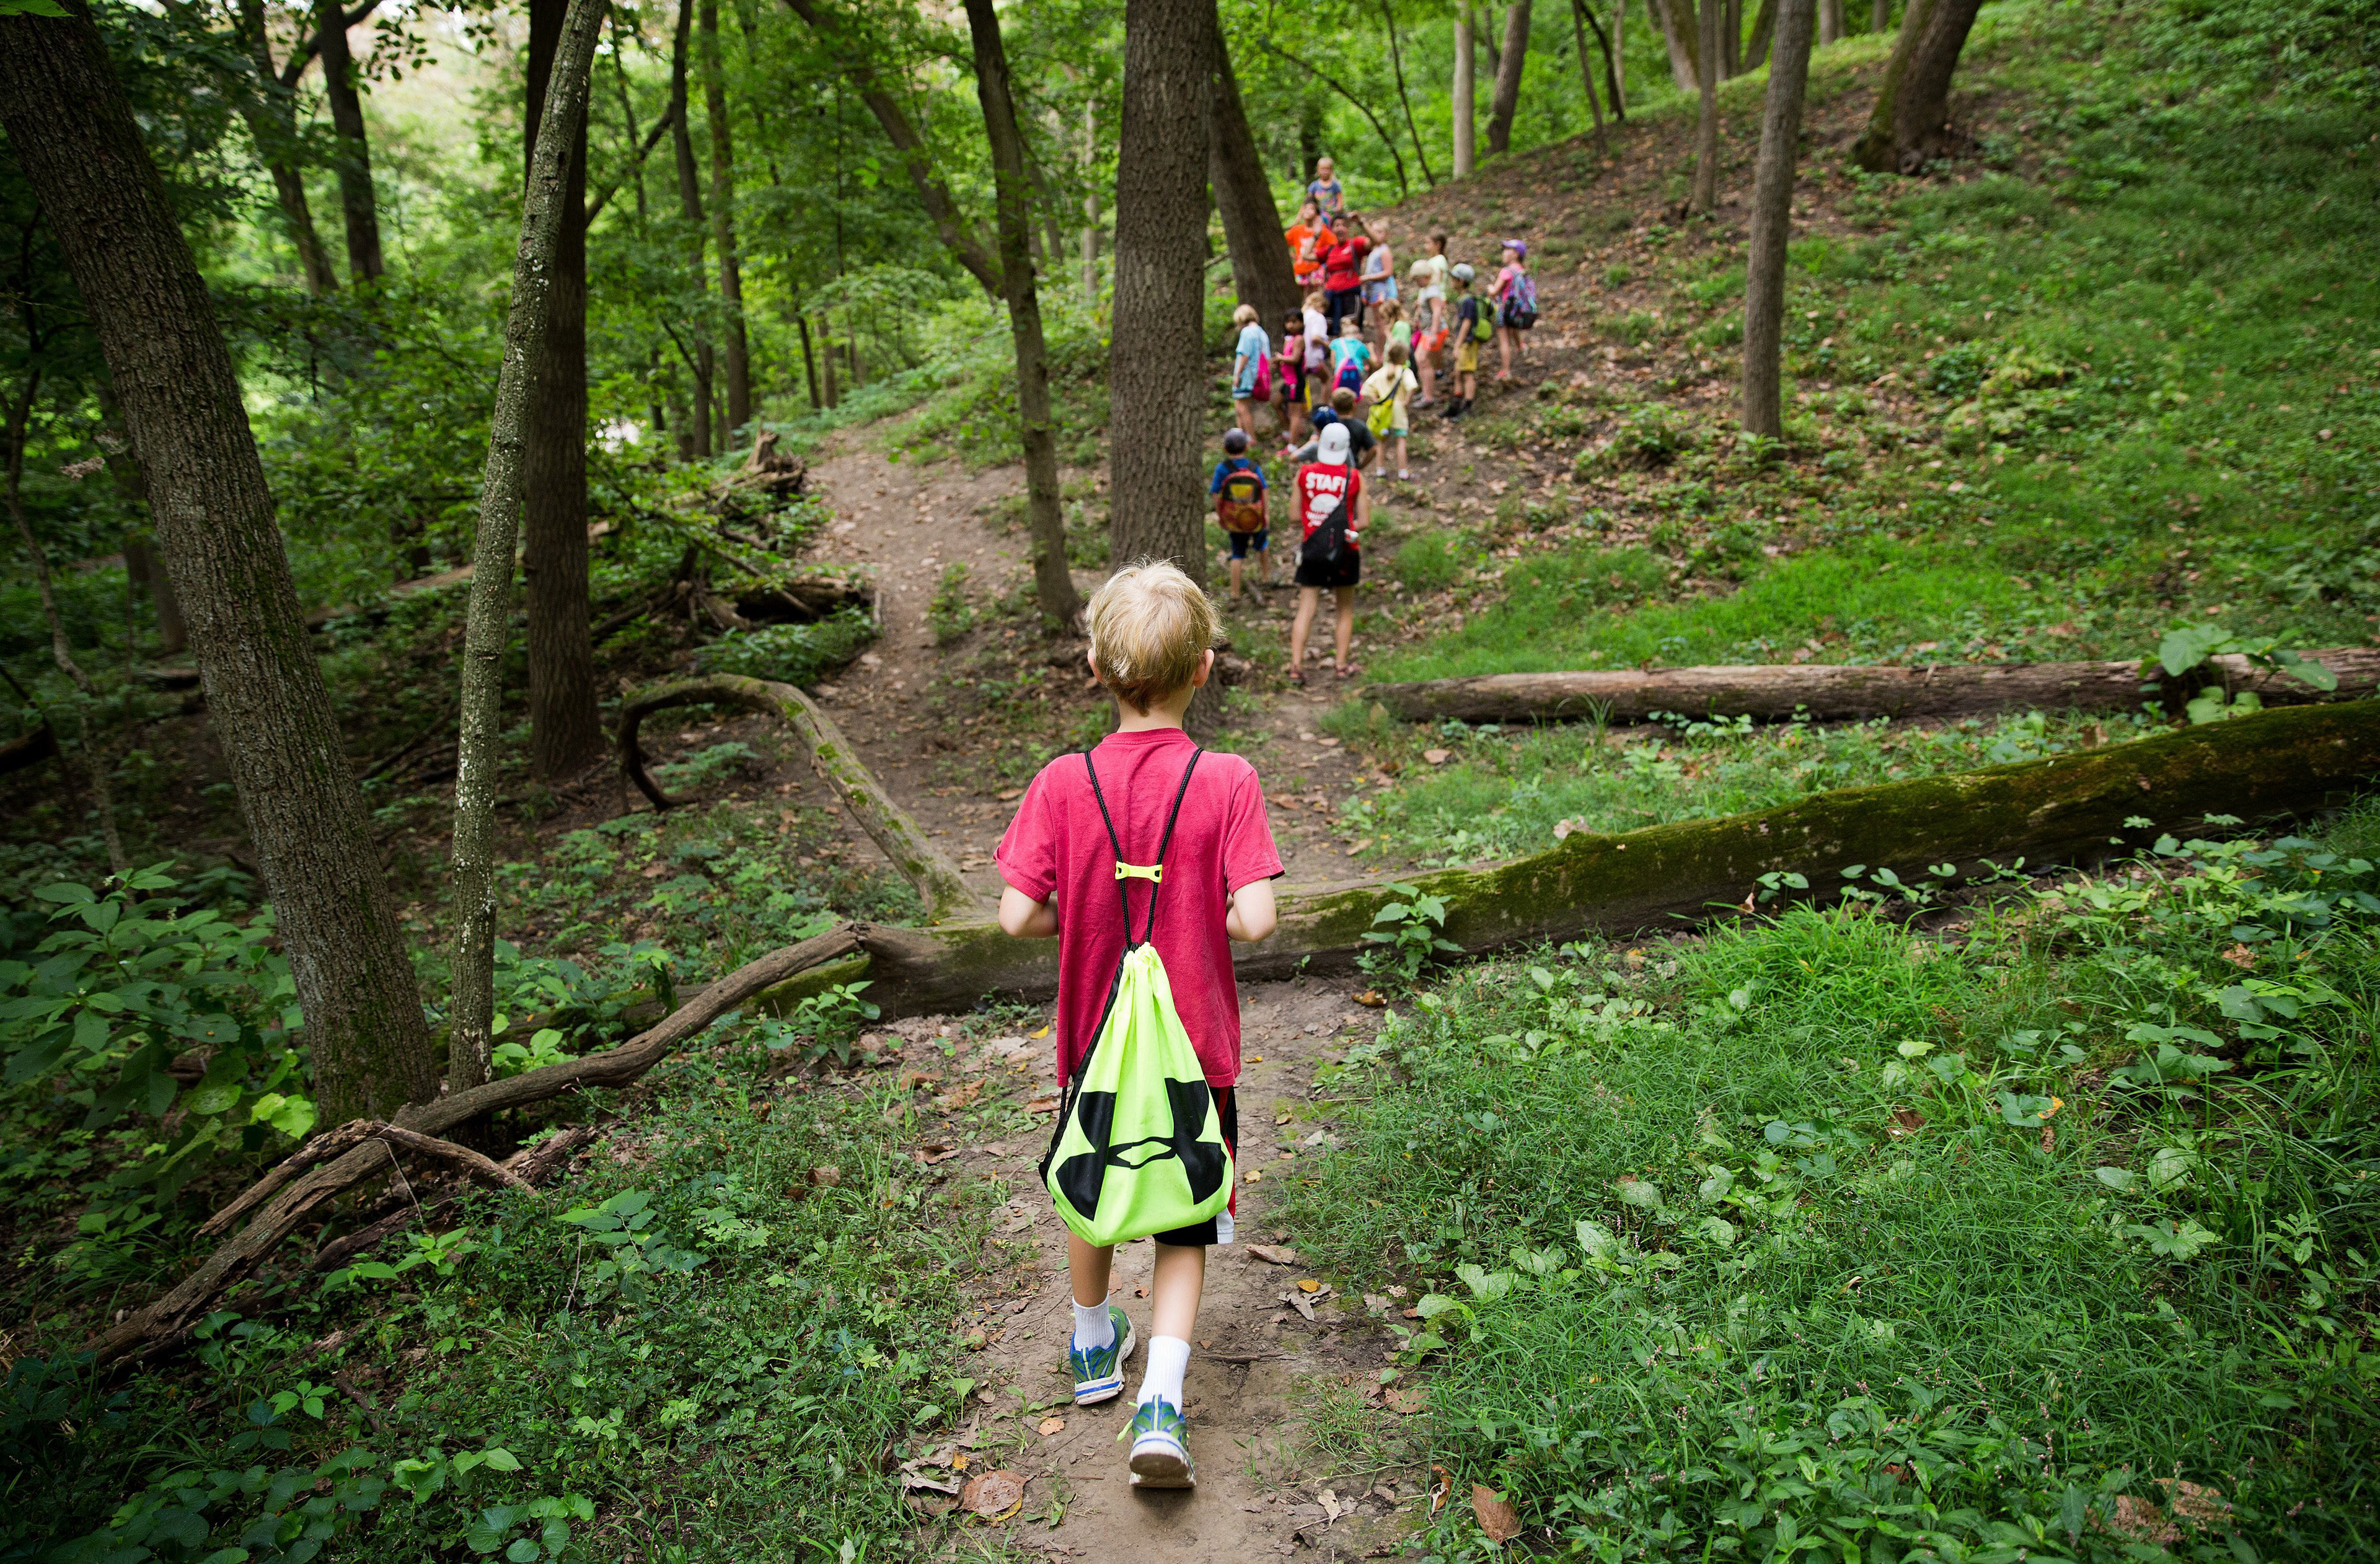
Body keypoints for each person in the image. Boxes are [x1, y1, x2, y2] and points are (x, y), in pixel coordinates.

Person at [995, 562, 1283, 1492]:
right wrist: (1205, 911)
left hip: (1095, 1036)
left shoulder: (1064, 781)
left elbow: (1014, 916)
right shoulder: (1227, 778)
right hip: (1194, 1046)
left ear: (1095, 666)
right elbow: (1257, 921)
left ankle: (1090, 1347)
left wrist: (1083, 914)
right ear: (1204, 668)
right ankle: (1161, 1402)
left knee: (1092, 1174)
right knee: (1185, 1213)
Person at [1288, 421, 1365, 683]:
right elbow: (1364, 521)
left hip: (1313, 548)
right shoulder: (1354, 477)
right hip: (1345, 549)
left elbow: (1292, 516)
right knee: (1344, 609)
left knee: (1306, 607)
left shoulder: (1305, 473)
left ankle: (1296, 666)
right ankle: (1341, 665)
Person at [1209, 428, 1272, 605]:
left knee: (1237, 554)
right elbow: (1264, 489)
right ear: (1247, 447)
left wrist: (1221, 513)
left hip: (1235, 520)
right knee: (1262, 546)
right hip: (1255, 518)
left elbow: (1215, 492)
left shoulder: (1222, 469)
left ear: (1225, 449)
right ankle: (1266, 579)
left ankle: (1235, 594)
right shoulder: (1253, 467)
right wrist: (1265, 513)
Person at [1362, 341, 1419, 481]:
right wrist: (1406, 401)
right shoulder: (1405, 371)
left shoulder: (1381, 372)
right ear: (1404, 356)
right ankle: (1403, 472)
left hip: (1384, 411)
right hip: (1398, 409)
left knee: (1382, 441)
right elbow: (1412, 387)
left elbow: (1366, 389)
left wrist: (1375, 401)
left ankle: (1380, 471)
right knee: (1401, 440)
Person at [1288, 390, 1378, 471]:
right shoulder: (1360, 426)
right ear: (1354, 405)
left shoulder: (1327, 424)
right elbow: (1373, 449)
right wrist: (1360, 466)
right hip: (1348, 471)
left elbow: (1295, 457)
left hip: (1324, 469)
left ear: (1332, 406)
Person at [1442, 262, 1482, 420]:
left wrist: (1457, 345)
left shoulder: (1467, 301)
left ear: (1460, 281)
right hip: (1464, 342)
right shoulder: (1463, 298)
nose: (1451, 282)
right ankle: (1455, 405)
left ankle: (1467, 408)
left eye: (1454, 279)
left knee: (1467, 374)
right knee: (1458, 373)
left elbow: (1467, 323)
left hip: (1468, 343)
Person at [1320, 218, 1370, 341]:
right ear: (1332, 230)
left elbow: (1375, 242)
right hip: (1331, 295)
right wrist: (1316, 235)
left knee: (1351, 327)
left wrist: (1362, 222)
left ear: (1348, 229)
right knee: (1331, 328)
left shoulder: (1355, 244)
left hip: (1350, 294)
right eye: (1337, 225)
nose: (1340, 228)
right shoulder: (1330, 249)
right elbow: (1306, 255)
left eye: (1343, 225)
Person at [1492, 239, 1535, 382]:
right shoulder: (1523, 271)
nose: (1504, 253)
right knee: (1513, 328)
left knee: (1504, 340)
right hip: (1517, 310)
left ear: (1516, 254)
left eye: (1507, 250)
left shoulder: (1506, 271)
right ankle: (1521, 347)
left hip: (1505, 309)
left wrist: (1489, 289)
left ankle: (1506, 370)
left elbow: (1495, 291)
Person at [1228, 304, 1270, 437]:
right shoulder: (1261, 332)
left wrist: (1237, 374)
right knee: (1239, 406)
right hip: (1257, 374)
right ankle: (1242, 437)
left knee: (1242, 408)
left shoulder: (1247, 332)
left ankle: (1249, 438)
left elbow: (1244, 354)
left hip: (1246, 374)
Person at [1284, 200, 1335, 294]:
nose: (1307, 210)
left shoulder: (1322, 231)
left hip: (1315, 270)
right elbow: (1283, 244)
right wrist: (1292, 256)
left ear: (1317, 214)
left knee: (1314, 297)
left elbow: (1334, 246)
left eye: (1311, 209)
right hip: (1299, 269)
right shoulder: (1296, 230)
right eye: (1305, 208)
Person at [1273, 310, 1309, 442]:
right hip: (1288, 381)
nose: (1290, 325)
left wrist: (1281, 358)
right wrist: (1279, 362)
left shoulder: (1299, 339)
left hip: (1296, 381)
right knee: (1277, 403)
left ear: (1301, 323)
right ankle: (1288, 432)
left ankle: (1292, 445)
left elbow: (1295, 359)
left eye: (1294, 322)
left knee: (1295, 414)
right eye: (1288, 322)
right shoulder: (1289, 340)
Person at [1360, 230, 1396, 343]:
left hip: (1380, 290)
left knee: (1381, 323)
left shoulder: (1384, 250)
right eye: (1373, 231)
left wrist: (1367, 278)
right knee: (1377, 323)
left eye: (1379, 232)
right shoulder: (1373, 250)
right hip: (1371, 290)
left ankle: (1383, 353)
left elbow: (1388, 272)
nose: (1375, 234)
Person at [1328, 315, 1373, 402]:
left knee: (1340, 396)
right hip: (1357, 371)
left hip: (1340, 371)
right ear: (1357, 334)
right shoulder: (1360, 345)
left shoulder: (1335, 343)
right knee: (1354, 396)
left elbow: (1333, 364)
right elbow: (1371, 361)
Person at [1306, 156, 1346, 222]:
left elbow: (1340, 200)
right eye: (1323, 169)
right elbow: (1309, 201)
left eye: (1327, 169)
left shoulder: (1335, 185)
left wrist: (1338, 209)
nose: (1325, 172)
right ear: (1318, 170)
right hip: (1318, 216)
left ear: (1331, 170)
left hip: (1333, 215)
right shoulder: (1314, 186)